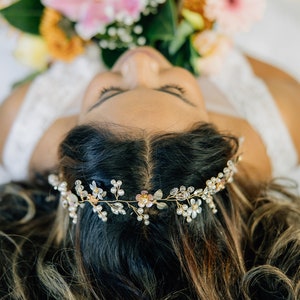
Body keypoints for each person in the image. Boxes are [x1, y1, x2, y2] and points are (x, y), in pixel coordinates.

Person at [0, 44, 299, 299]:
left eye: (108, 93)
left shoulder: (20, 127)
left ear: (71, 143)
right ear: (216, 135)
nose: (139, 60)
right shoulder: (281, 120)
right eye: (174, 90)